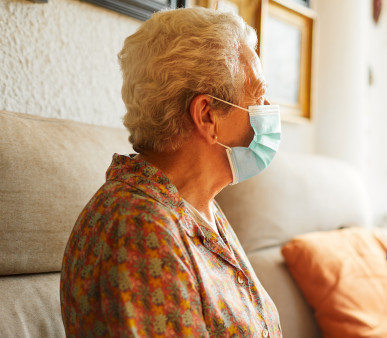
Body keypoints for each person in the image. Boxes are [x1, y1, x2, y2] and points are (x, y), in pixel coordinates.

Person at [60, 8, 282, 337]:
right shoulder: (136, 228)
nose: (268, 109)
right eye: (258, 95)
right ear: (207, 115)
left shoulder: (197, 206)